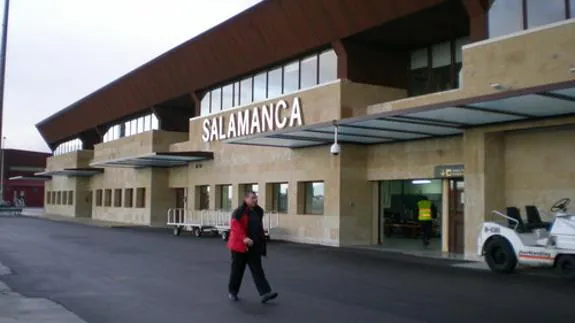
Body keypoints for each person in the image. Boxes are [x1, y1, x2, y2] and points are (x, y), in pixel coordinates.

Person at [227, 191, 278, 303]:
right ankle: (232, 292)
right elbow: (235, 227)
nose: (255, 200)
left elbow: (258, 228)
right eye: (253, 198)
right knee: (237, 271)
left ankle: (265, 293)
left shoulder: (258, 211)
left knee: (257, 270)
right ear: (246, 199)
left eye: (256, 198)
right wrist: (244, 238)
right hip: (239, 246)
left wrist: (260, 242)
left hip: (253, 246)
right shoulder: (239, 212)